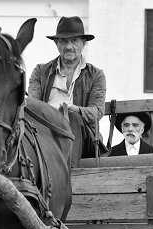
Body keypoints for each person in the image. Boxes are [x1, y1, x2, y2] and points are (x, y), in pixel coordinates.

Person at [28, 16, 106, 165]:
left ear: (83, 43)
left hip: (83, 138)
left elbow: (97, 112)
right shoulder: (40, 71)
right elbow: (32, 106)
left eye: (74, 41)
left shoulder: (96, 74)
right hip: (46, 130)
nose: (69, 46)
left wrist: (74, 109)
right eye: (64, 41)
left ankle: (68, 172)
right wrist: (53, 115)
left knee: (73, 118)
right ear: (56, 44)